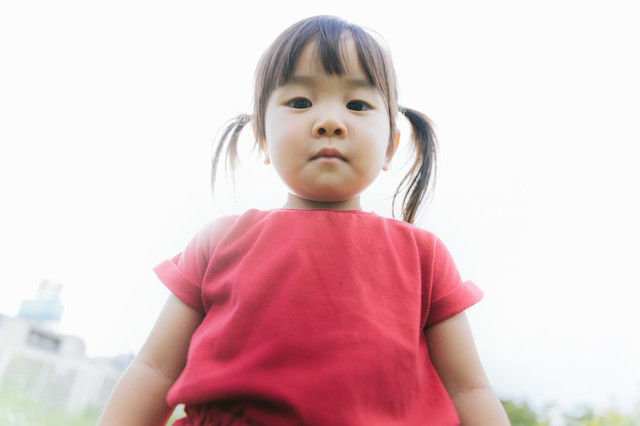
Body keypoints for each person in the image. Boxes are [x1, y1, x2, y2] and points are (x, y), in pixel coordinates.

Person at [98, 15, 510, 426]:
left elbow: (468, 388)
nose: (330, 122)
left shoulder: (423, 256)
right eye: (299, 102)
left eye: (357, 105)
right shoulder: (218, 241)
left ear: (390, 146)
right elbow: (155, 368)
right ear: (262, 137)